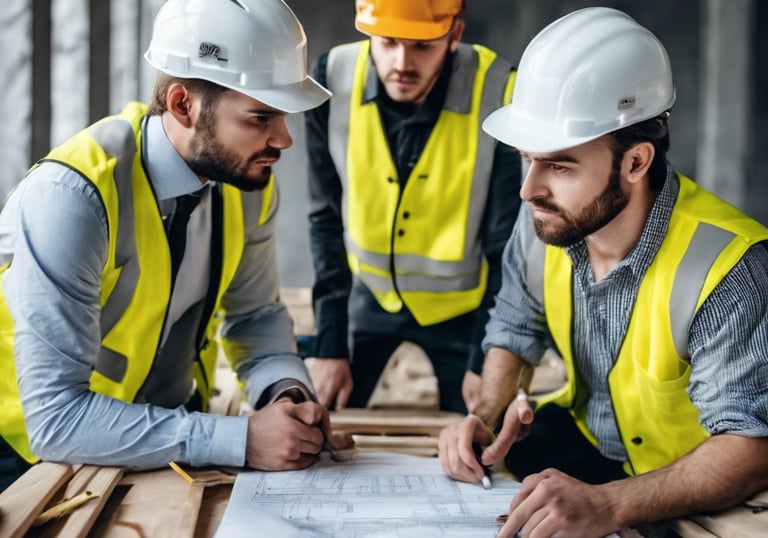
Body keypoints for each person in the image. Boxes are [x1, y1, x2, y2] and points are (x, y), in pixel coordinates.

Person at [438, 7, 768, 537]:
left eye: (559, 165)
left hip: (692, 479)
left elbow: (750, 447)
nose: (528, 190)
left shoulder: (728, 268)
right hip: (592, 443)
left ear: (635, 162)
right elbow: (517, 323)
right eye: (528, 159)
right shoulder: (550, 218)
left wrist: (609, 505)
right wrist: (487, 414)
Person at [0, 0, 352, 493]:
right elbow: (56, 418)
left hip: (165, 449)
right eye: (261, 116)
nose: (283, 139)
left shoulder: (247, 186)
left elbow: (254, 315)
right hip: (31, 465)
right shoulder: (73, 198)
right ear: (183, 105)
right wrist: (240, 439)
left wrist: (285, 393)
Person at [305, 0, 521, 414]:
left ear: (455, 34)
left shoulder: (498, 91)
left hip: (464, 314)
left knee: (480, 435)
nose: (402, 63)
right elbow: (325, 220)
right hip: (367, 300)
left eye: (422, 45)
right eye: (388, 42)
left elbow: (507, 248)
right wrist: (329, 345)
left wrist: (486, 356)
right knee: (323, 421)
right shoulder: (333, 78)